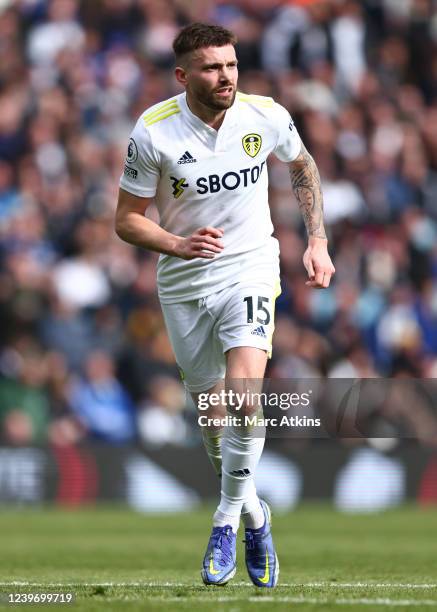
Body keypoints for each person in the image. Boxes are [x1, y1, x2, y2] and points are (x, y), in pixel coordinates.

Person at [115, 22, 335, 588]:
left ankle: (223, 522)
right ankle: (255, 513)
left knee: (244, 393)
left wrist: (317, 240)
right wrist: (176, 243)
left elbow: (302, 164)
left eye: (232, 65)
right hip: (185, 279)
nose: (226, 77)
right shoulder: (153, 132)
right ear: (184, 74)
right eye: (213, 68)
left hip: (250, 267)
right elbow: (127, 220)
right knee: (213, 418)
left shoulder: (263, 115)